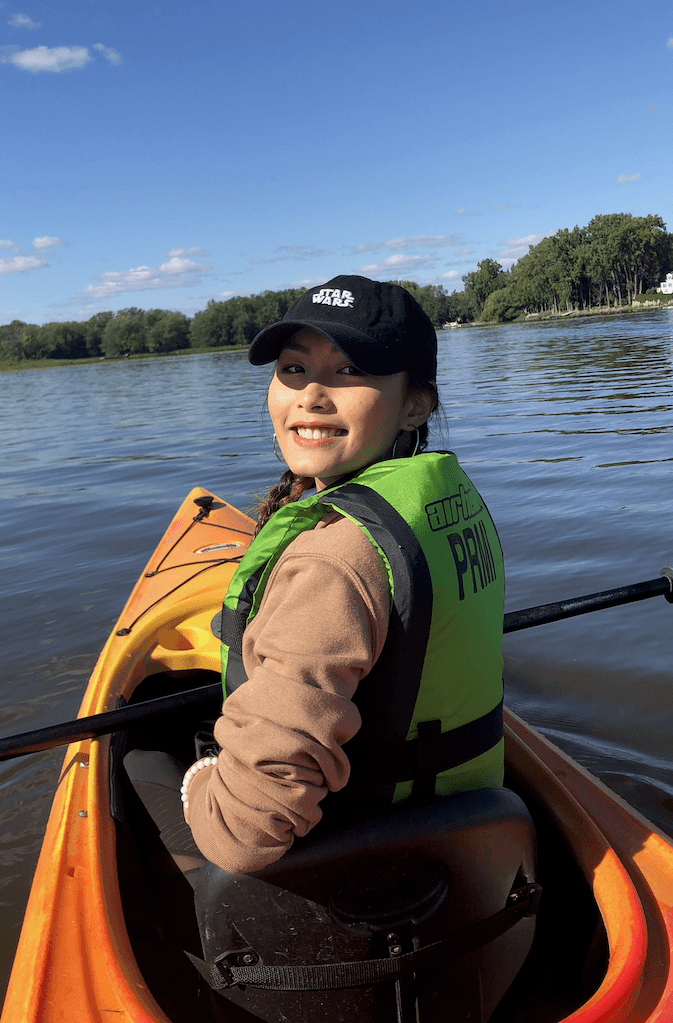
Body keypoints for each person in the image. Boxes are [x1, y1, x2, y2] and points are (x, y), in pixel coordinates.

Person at [134, 275, 505, 875]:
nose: (310, 395)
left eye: (349, 369)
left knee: (138, 746)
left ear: (416, 401)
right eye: (293, 369)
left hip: (366, 886)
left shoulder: (332, 562)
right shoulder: (447, 505)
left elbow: (244, 834)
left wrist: (204, 775)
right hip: (473, 854)